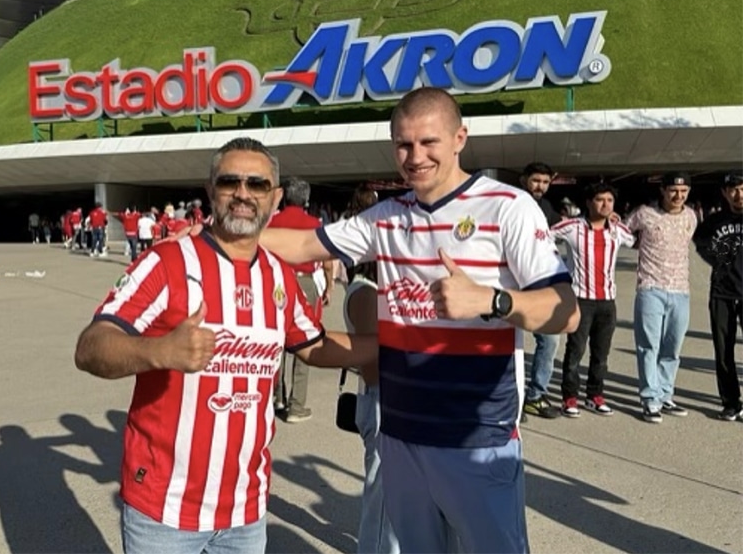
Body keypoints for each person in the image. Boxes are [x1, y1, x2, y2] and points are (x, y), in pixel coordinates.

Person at [258, 87, 579, 553]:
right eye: (404, 144)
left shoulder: (507, 206)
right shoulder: (386, 218)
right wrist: (214, 238)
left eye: (428, 142)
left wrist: (493, 301)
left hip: (477, 439)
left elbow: (565, 312)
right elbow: (305, 246)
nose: (415, 156)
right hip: (401, 436)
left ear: (459, 138)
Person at [74, 137, 378, 554]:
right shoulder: (167, 263)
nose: (242, 193)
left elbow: (316, 346)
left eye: (256, 184)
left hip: (245, 512)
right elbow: (91, 347)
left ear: (274, 198)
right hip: (164, 510)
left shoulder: (278, 276)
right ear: (209, 190)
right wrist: (158, 351)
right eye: (229, 182)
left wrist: (399, 345)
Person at [343, 185, 400, 554]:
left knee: (396, 503)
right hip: (383, 401)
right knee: (383, 505)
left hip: (395, 399)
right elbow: (373, 367)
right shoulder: (365, 292)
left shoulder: (381, 290)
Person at [551, 182, 636, 417]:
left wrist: (619, 221)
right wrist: (557, 269)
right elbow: (544, 236)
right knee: (575, 351)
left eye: (610, 200)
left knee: (601, 354)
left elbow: (632, 240)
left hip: (607, 302)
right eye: (600, 200)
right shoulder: (573, 226)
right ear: (589, 203)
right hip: (581, 299)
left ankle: (595, 395)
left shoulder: (617, 229)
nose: (605, 204)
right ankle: (569, 398)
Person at [626, 172, 698, 423]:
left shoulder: (691, 216)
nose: (678, 196)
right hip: (651, 288)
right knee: (648, 346)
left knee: (673, 347)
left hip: (681, 291)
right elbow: (624, 233)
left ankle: (665, 394)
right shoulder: (644, 214)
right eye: (673, 191)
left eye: (683, 191)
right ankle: (650, 399)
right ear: (663, 191)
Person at [269, 177, 334, 423]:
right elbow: (327, 261)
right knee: (303, 340)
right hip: (305, 281)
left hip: (275, 281)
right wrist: (328, 286)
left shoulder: (272, 222)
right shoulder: (314, 223)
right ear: (306, 199)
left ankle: (277, 396)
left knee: (276, 340)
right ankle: (296, 406)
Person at [693, 172, 743, 421]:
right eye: (733, 189)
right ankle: (731, 402)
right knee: (724, 350)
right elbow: (701, 244)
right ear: (724, 193)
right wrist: (721, 260)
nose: (739, 194)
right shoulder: (714, 222)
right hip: (722, 293)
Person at [519, 162, 563, 419]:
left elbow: (564, 227)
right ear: (525, 179)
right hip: (511, 284)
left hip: (539, 283)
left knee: (550, 339)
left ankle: (535, 396)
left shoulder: (546, 207)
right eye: (536, 181)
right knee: (508, 343)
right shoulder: (511, 201)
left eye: (545, 182)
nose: (540, 187)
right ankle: (510, 399)